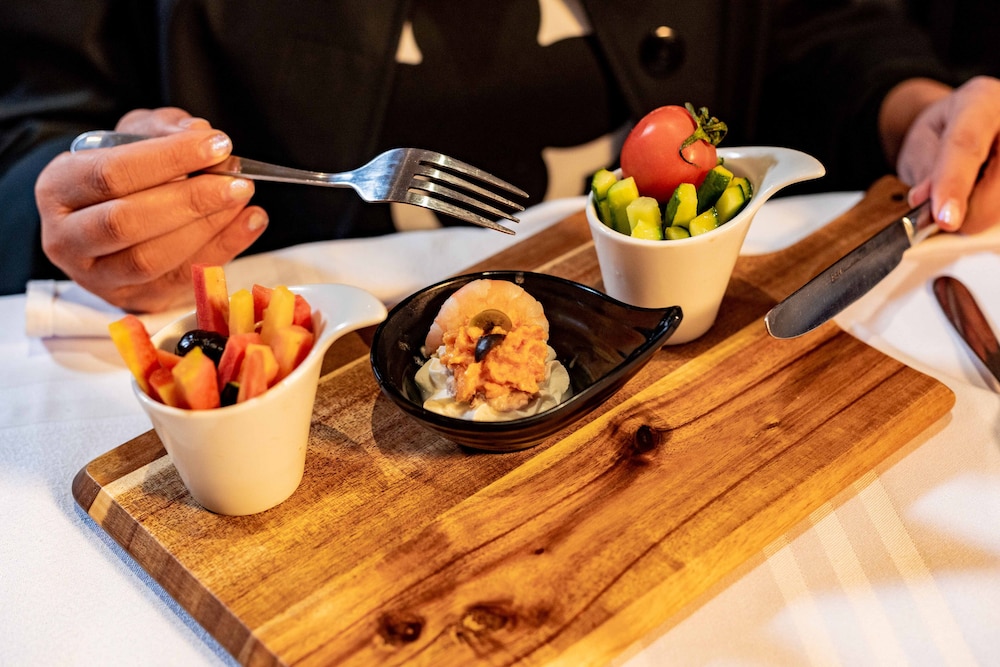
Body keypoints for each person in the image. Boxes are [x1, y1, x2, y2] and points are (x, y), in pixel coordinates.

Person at [1, 0, 997, 311]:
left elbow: (817, 28)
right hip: (311, 355)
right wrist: (94, 205)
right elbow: (35, 127)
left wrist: (911, 110)